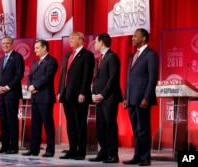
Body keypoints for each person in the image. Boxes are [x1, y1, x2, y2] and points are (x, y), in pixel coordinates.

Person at [123, 28, 159, 166]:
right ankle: (137, 156)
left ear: (143, 38)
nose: (132, 38)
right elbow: (129, 79)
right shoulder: (133, 56)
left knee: (143, 129)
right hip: (131, 98)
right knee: (136, 130)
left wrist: (147, 97)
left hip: (142, 99)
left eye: (135, 36)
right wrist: (126, 97)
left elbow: (152, 78)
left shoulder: (151, 55)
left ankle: (145, 157)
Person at [58, 31, 95, 160]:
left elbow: (87, 75)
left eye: (73, 39)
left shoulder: (87, 55)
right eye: (70, 39)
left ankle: (81, 151)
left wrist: (83, 92)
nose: (70, 41)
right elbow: (63, 75)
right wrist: (60, 91)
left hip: (78, 95)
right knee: (71, 124)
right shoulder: (68, 55)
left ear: (80, 40)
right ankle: (72, 149)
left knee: (80, 124)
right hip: (67, 95)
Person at [88, 33, 123, 163]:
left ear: (102, 42)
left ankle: (113, 154)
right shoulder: (100, 58)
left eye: (96, 42)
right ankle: (103, 151)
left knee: (110, 125)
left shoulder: (112, 57)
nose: (95, 44)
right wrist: (93, 94)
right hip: (98, 98)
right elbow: (95, 79)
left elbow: (113, 78)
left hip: (109, 98)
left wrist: (102, 94)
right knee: (100, 126)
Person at [22, 40, 58, 157]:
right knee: (35, 125)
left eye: (37, 48)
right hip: (35, 97)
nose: (35, 50)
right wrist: (30, 87)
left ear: (44, 48)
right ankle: (34, 149)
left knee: (48, 125)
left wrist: (35, 86)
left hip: (45, 97)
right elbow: (30, 76)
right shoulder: (35, 62)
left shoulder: (51, 61)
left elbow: (48, 77)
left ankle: (50, 149)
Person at [0, 36, 25, 154]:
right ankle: (5, 145)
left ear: (12, 44)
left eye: (7, 43)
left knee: (11, 120)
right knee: (3, 120)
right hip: (1, 94)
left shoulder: (17, 57)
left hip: (11, 93)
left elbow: (19, 75)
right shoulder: (2, 58)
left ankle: (13, 147)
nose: (5, 45)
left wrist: (7, 87)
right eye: (3, 43)